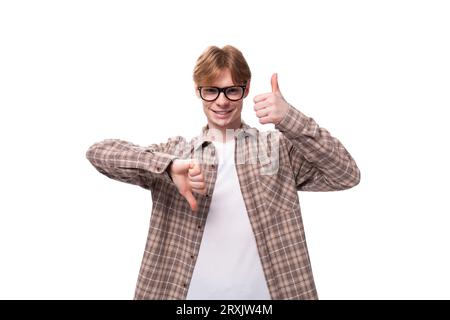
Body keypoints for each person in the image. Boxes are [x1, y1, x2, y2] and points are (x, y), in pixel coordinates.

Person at [86, 45, 360, 300]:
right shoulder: (177, 154)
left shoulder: (275, 150)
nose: (221, 101)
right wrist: (167, 167)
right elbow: (99, 153)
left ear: (246, 89)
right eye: (211, 90)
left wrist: (289, 117)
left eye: (231, 90)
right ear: (198, 90)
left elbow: (346, 174)